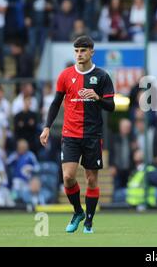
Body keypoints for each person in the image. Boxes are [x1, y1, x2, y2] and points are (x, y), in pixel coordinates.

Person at [39, 35, 115, 234]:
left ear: (91, 52)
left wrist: (97, 97)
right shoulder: (65, 75)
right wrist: (47, 126)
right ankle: (78, 211)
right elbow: (56, 103)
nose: (79, 54)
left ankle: (89, 222)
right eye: (77, 51)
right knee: (68, 177)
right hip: (70, 134)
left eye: (83, 50)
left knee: (91, 180)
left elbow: (111, 106)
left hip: (92, 135)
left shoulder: (102, 76)